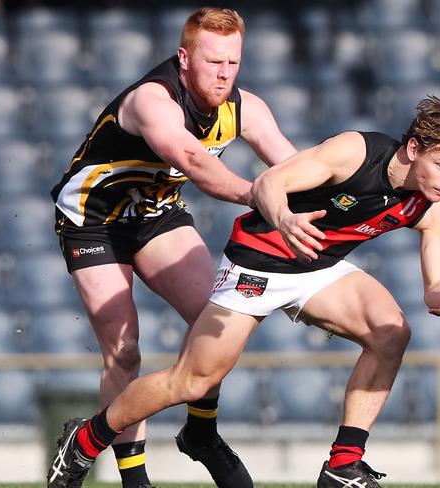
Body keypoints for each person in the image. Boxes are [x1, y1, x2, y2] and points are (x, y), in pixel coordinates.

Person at [47, 96, 440, 488]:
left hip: (317, 267)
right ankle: (84, 441)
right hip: (258, 262)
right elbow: (271, 183)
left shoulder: (435, 202)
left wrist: (439, 293)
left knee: (392, 333)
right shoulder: (355, 152)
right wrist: (285, 220)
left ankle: (343, 465)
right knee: (191, 382)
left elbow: (436, 261)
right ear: (415, 149)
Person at [48, 7, 296, 488]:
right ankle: (133, 478)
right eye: (213, 62)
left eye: (233, 63)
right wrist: (257, 194)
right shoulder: (152, 100)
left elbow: (298, 166)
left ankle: (201, 433)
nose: (224, 74)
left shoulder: (247, 108)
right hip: (93, 220)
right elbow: (191, 160)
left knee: (217, 319)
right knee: (124, 352)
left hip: (155, 213)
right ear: (184, 58)